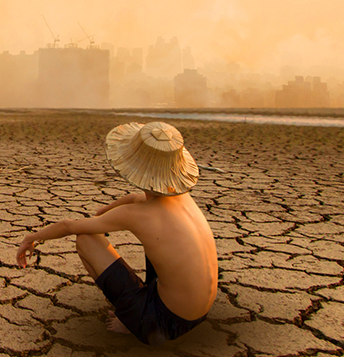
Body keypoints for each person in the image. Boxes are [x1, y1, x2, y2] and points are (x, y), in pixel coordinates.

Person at [16, 121, 218, 345]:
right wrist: (103, 212)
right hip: (199, 314)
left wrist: (31, 238)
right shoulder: (182, 199)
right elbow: (134, 198)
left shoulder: (137, 215)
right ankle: (139, 311)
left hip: (161, 324)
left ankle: (132, 320)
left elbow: (68, 226)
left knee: (86, 238)